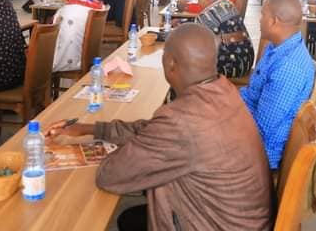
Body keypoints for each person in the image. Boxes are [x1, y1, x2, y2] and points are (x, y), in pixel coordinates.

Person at [45, 24, 272, 229]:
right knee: (131, 218)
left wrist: (123, 150)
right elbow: (154, 131)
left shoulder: (181, 121)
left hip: (216, 224)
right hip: (236, 220)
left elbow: (110, 175)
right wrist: (91, 129)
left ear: (171, 64)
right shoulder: (223, 91)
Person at [241, 0, 315, 169]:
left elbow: (262, 128)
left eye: (263, 15)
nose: (259, 20)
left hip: (259, 153)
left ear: (274, 21)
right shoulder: (276, 47)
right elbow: (252, 94)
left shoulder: (288, 68)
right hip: (250, 128)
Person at [177, 0, 254, 79]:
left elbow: (195, 44)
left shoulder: (204, 17)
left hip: (232, 68)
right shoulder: (228, 4)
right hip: (247, 60)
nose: (198, 2)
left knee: (185, 60)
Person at [52, 0, 105, 72]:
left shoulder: (67, 10)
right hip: (91, 57)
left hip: (71, 61)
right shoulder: (99, 5)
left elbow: (54, 34)